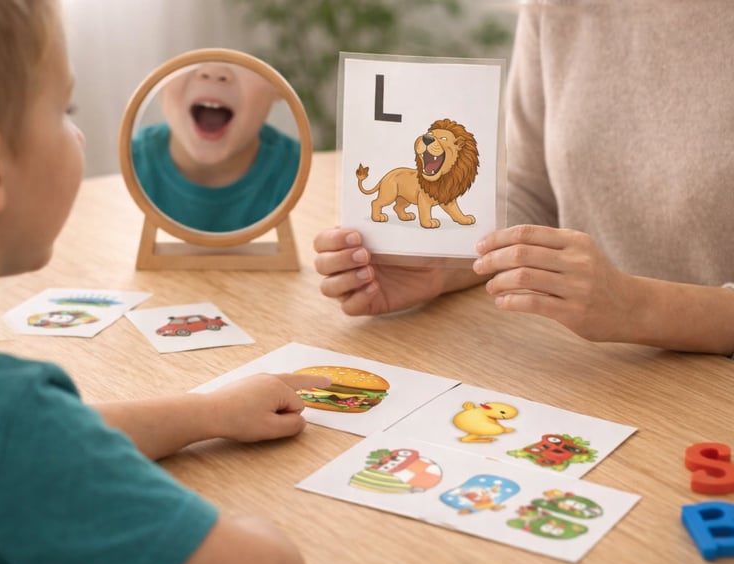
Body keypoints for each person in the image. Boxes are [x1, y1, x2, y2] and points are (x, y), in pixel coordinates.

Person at [0, 2, 330, 564]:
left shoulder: (8, 428)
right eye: (67, 109)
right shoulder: (13, 427)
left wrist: (206, 412)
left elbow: (51, 445)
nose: (80, 130)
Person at [313, 0, 734, 356]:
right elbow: (531, 190)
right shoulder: (558, 8)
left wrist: (636, 307)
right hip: (587, 368)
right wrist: (447, 261)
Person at [131, 61, 301, 232]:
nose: (213, 71)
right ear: (159, 79)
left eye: (245, 59)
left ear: (278, 87)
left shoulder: (301, 174)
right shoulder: (130, 165)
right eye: (188, 54)